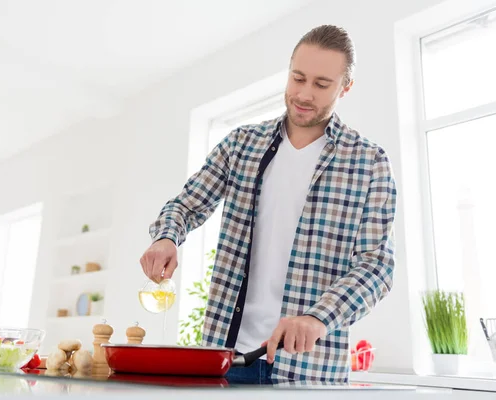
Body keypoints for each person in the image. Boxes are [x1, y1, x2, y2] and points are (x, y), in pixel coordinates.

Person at [140, 24, 397, 384]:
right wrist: (166, 237)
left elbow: (377, 268)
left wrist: (317, 318)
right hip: (228, 361)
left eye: (322, 84)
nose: (304, 94)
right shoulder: (242, 144)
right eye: (298, 78)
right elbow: (184, 206)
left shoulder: (369, 162)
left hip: (308, 371)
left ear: (345, 87)